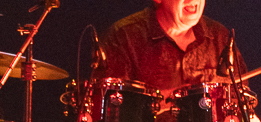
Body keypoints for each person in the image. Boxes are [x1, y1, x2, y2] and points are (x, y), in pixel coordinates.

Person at [99, 0, 238, 96]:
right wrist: (162, 100)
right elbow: (113, 109)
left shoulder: (220, 37)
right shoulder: (123, 37)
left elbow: (240, 107)